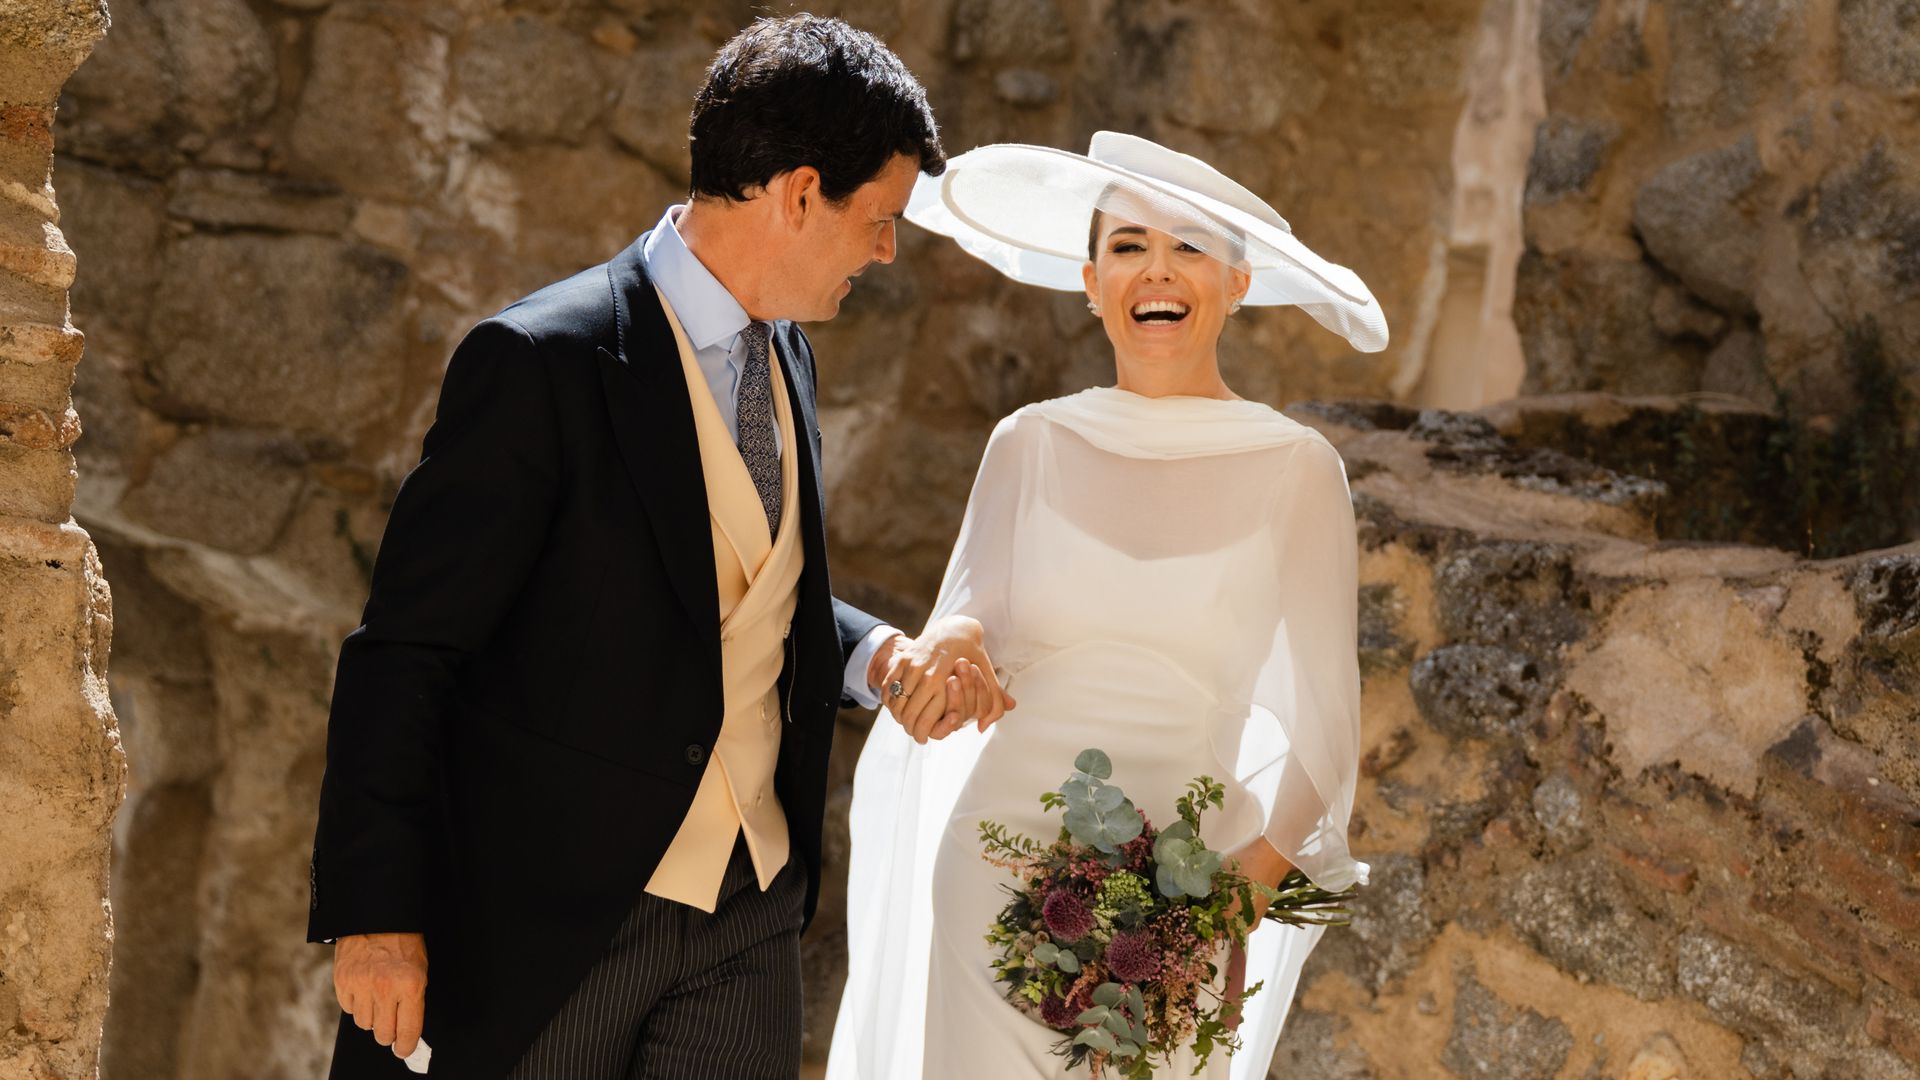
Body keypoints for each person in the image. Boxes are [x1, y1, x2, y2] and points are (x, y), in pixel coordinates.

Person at [307, 16, 1010, 1079]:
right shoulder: (541, 362)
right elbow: (406, 650)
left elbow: (727, 594)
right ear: (798, 191)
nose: (887, 251)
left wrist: (872, 656)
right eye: (879, 218)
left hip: (749, 910)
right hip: (557, 916)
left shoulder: (792, 362)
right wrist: (375, 916)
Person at [829, 131, 1384, 1079]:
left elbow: (1327, 741)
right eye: (1128, 247)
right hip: (994, 871)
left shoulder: (1297, 471)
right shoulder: (1028, 443)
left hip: (1181, 904)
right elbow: (972, 625)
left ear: (1238, 283)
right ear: (1090, 280)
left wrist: (1218, 912)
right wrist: (951, 644)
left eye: (1189, 248)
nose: (1154, 272)